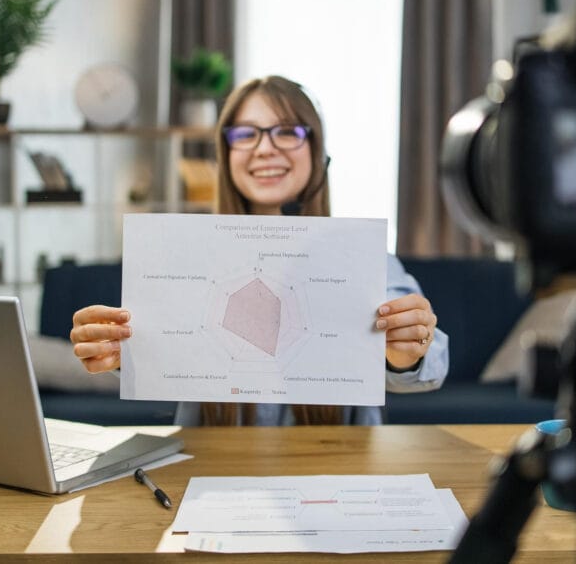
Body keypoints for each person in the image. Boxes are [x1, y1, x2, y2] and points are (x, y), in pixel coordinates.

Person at [70, 75, 448, 425]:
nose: (265, 149)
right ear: (226, 154)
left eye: (287, 132)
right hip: (209, 472)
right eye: (246, 134)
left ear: (318, 153)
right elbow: (165, 380)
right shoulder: (183, 258)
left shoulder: (362, 260)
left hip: (335, 473)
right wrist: (122, 352)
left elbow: (431, 363)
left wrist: (406, 352)